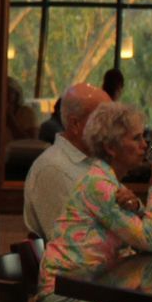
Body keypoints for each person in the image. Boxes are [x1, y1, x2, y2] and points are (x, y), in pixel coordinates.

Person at [36, 102, 152, 302]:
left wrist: (138, 206)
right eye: (136, 138)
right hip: (64, 294)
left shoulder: (108, 183)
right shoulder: (100, 186)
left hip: (88, 287)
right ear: (111, 148)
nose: (144, 145)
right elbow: (149, 240)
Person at [20, 82, 112, 240]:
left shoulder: (96, 163)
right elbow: (72, 244)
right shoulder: (52, 168)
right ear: (76, 124)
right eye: (103, 119)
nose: (112, 128)